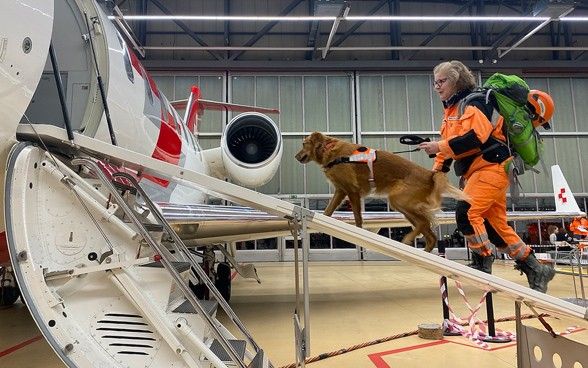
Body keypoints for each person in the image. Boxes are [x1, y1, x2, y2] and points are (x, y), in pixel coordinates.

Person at [418, 60, 555, 293]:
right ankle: (536, 268)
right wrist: (436, 173)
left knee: (467, 213)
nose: (437, 87)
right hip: (481, 171)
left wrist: (438, 146)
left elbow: (475, 138)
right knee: (496, 226)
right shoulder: (452, 110)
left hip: (491, 168)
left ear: (457, 81)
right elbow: (451, 147)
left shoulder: (475, 103)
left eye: (442, 81)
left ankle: (483, 261)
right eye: (435, 82)